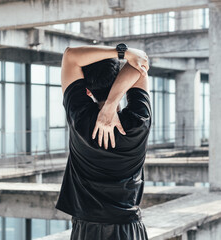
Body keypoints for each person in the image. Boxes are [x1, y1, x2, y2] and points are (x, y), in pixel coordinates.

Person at [55, 43, 152, 240]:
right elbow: (141, 61)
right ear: (122, 85)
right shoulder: (138, 121)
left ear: (88, 91)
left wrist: (123, 53)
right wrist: (111, 104)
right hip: (129, 230)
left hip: (87, 229)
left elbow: (70, 55)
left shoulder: (80, 117)